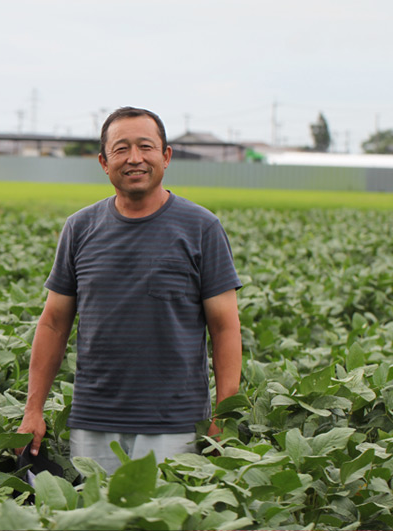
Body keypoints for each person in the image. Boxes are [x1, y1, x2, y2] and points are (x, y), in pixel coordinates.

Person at [17, 106, 242, 474]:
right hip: (94, 419)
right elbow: (54, 323)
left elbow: (225, 327)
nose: (134, 158)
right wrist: (33, 409)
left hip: (176, 423)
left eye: (146, 147)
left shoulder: (201, 227)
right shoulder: (80, 228)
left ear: (166, 157)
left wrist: (224, 417)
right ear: (104, 162)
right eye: (121, 149)